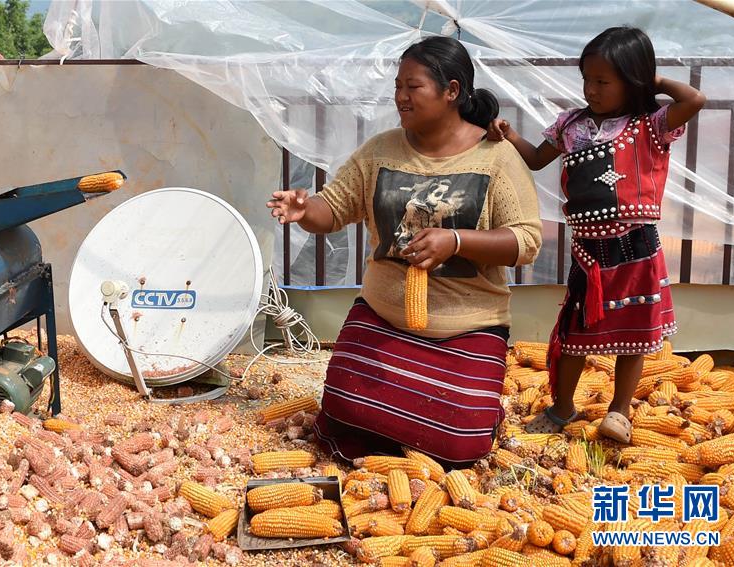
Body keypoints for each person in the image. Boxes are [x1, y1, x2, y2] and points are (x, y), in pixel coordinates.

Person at [267, 36, 542, 465]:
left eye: (413, 87)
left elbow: (526, 241)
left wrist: (456, 240)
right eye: (398, 86)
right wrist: (304, 210)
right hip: (384, 316)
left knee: (459, 444)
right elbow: (334, 209)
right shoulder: (380, 151)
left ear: (452, 90)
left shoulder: (497, 158)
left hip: (467, 328)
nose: (400, 97)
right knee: (343, 410)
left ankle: (474, 412)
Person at [488, 26, 706, 443]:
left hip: (637, 247)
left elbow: (695, 99)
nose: (591, 89)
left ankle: (619, 413)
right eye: (587, 79)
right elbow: (536, 160)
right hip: (588, 253)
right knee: (573, 335)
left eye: (603, 81)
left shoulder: (651, 124)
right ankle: (562, 406)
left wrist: (651, 79)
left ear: (632, 80)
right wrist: (510, 135)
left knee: (635, 336)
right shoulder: (571, 125)